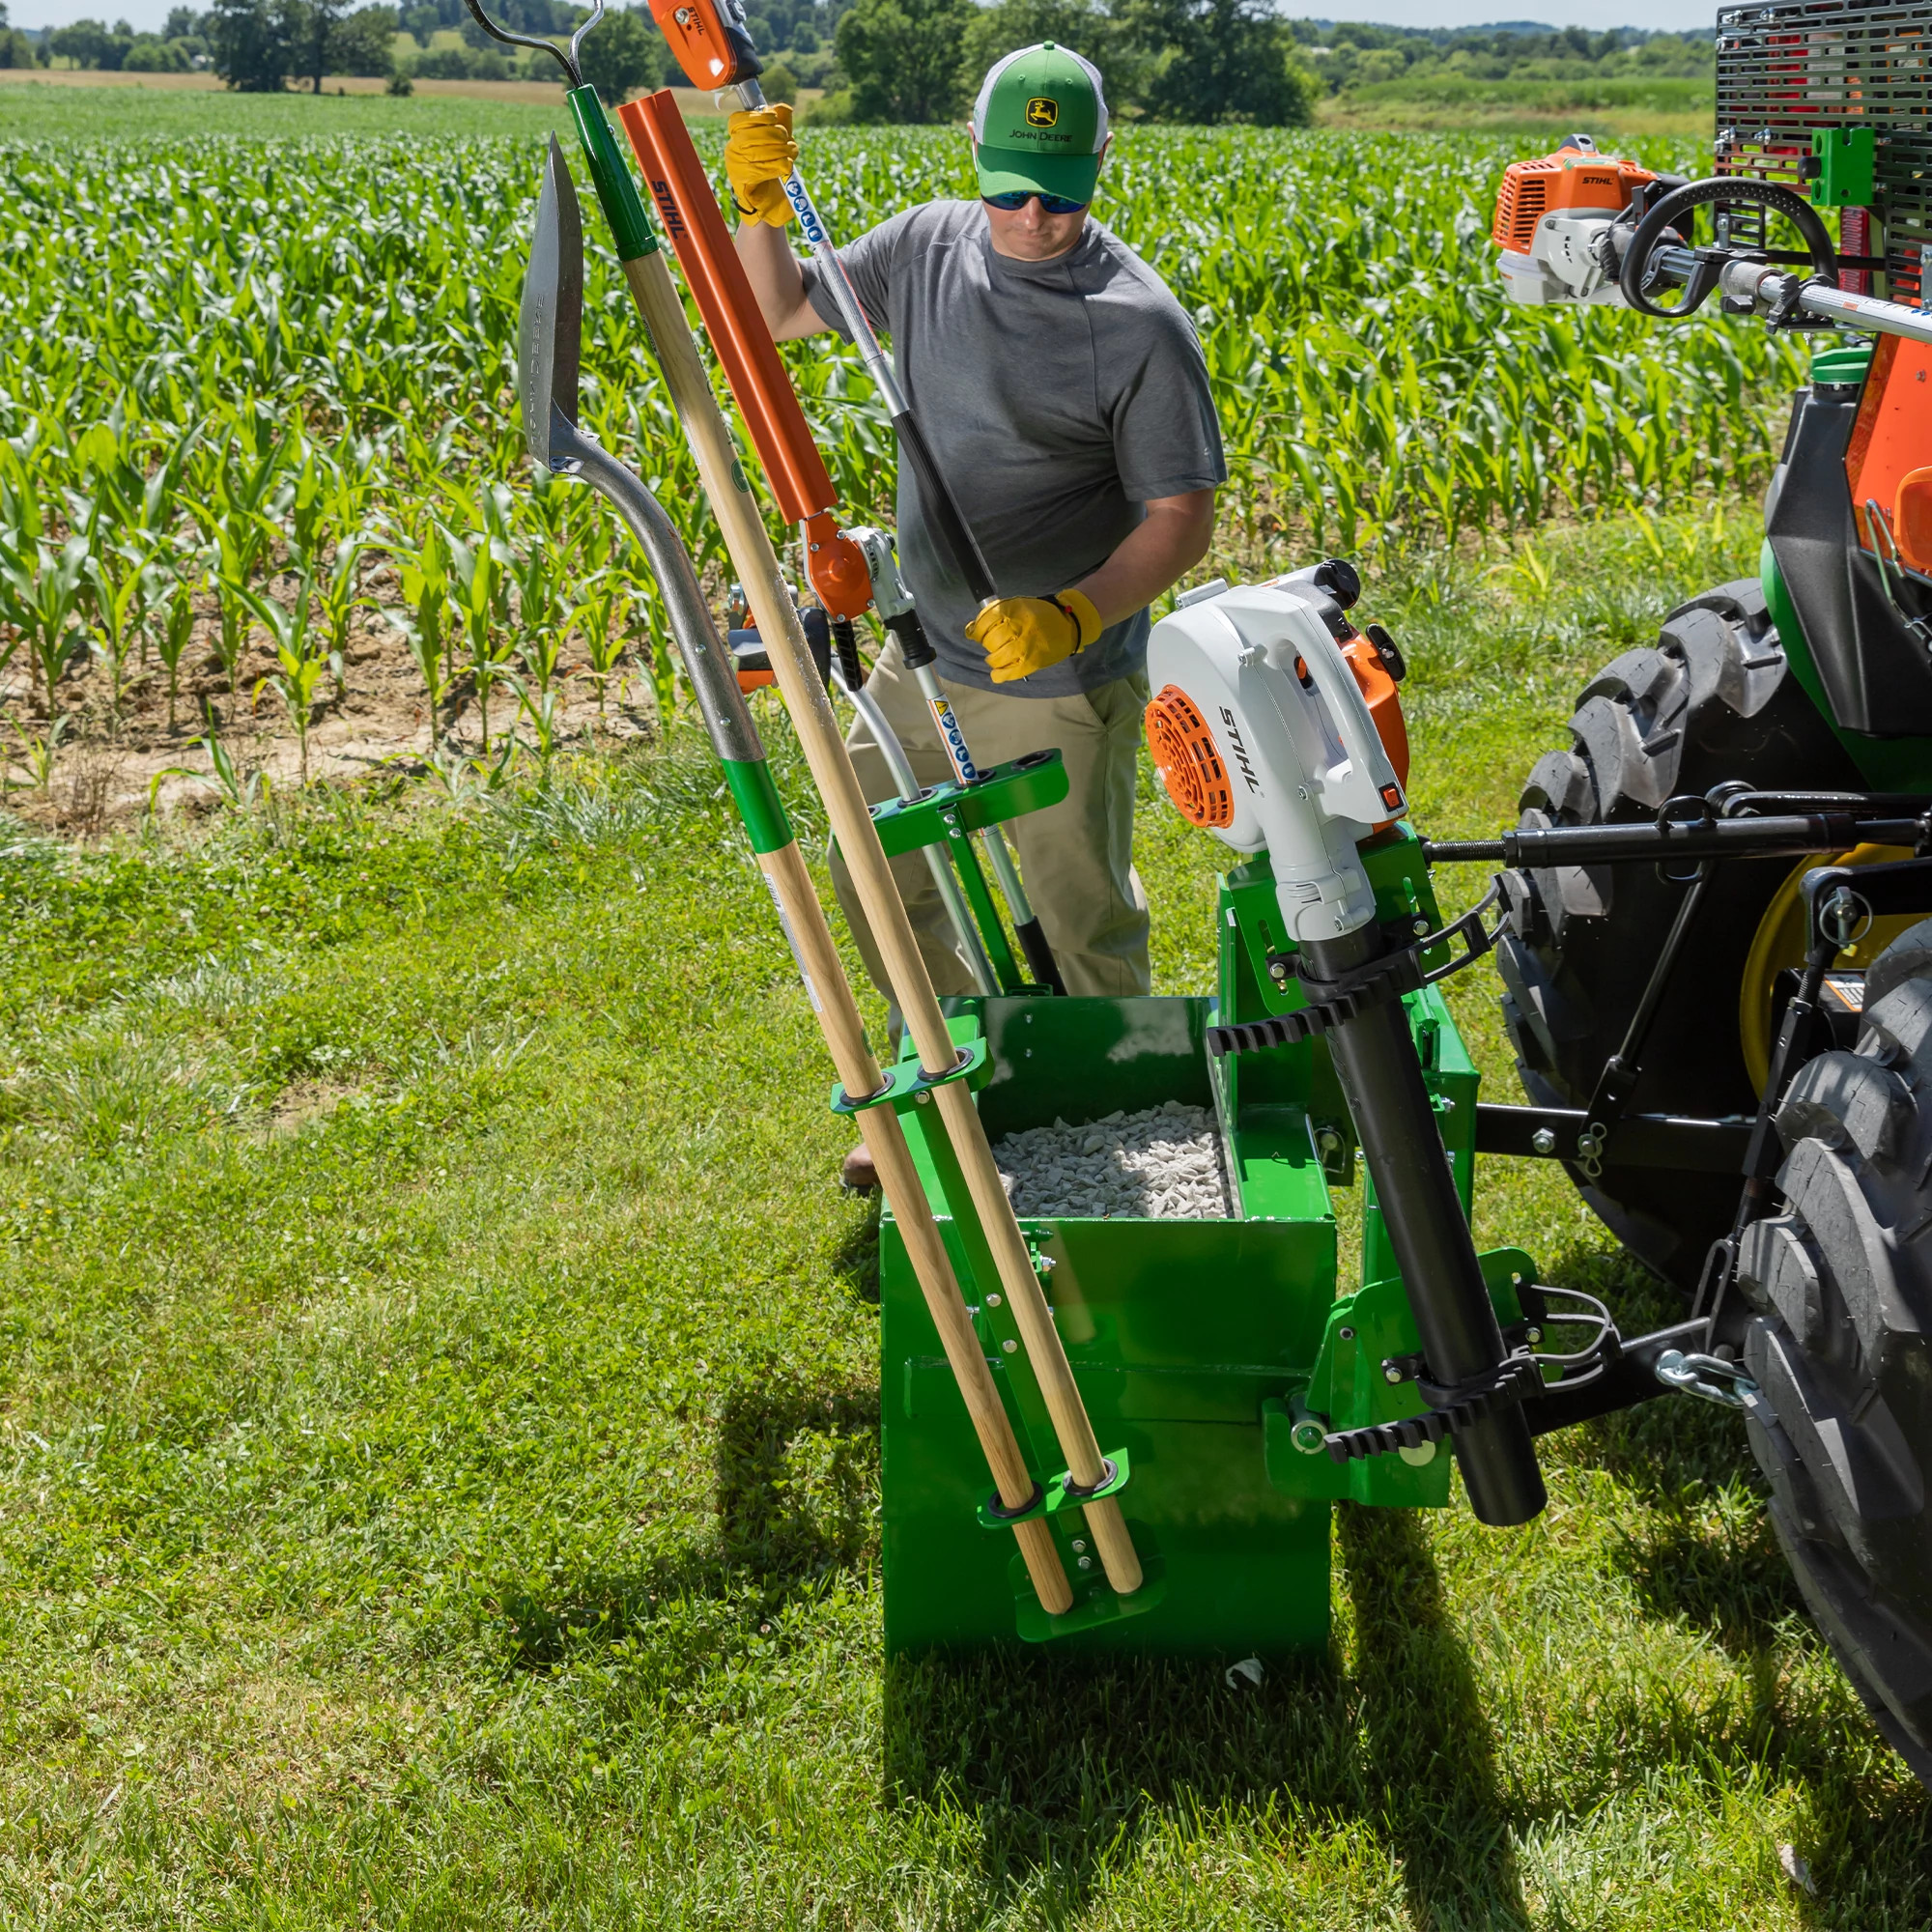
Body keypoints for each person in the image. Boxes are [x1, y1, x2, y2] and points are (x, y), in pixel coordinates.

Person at [726, 43, 1226, 1182]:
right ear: (974, 156)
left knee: (1078, 907)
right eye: (1008, 185)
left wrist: (1072, 613)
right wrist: (756, 208)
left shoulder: (1134, 321)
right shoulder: (923, 244)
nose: (1032, 213)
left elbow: (1178, 514)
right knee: (874, 865)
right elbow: (778, 312)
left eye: (1058, 189)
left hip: (1054, 669)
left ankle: (1122, 1124)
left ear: (1103, 160)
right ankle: (968, 1080)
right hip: (915, 642)